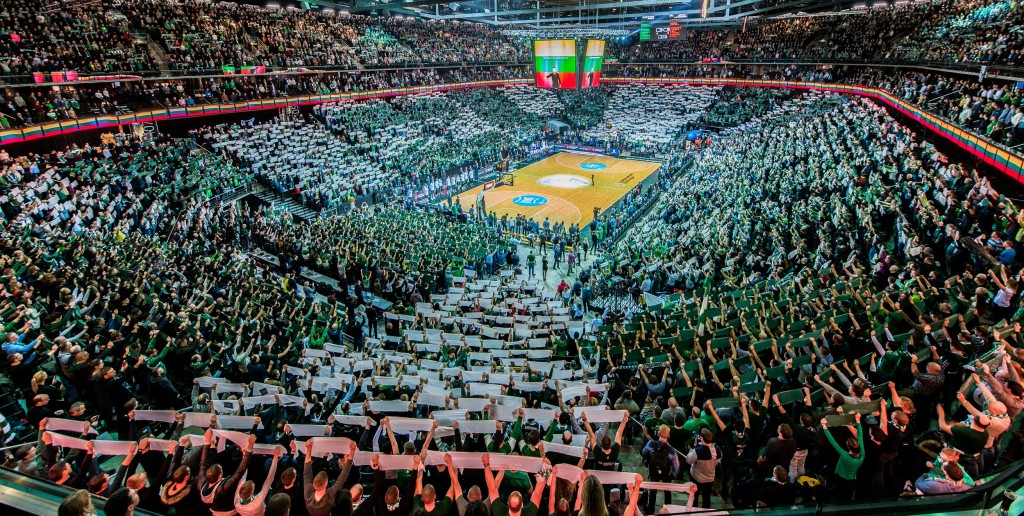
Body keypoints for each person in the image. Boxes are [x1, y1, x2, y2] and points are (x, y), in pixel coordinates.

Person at [304, 440, 355, 516]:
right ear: (326, 483)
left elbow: (307, 473)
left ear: (313, 484)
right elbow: (343, 476)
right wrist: (352, 451)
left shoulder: (308, 495)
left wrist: (308, 449)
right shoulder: (330, 496)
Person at [822, 414, 864, 501]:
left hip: (841, 478)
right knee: (847, 496)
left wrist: (824, 426)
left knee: (840, 495)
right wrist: (858, 420)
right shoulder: (862, 454)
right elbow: (860, 436)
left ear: (848, 447)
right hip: (852, 480)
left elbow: (833, 442)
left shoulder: (845, 456)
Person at [641, 425, 681, 513]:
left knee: (653, 490)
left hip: (653, 470)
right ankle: (668, 509)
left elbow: (644, 452)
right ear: (668, 436)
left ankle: (651, 509)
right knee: (667, 491)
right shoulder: (672, 451)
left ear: (658, 433)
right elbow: (676, 467)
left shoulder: (651, 443)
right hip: (666, 473)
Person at [236, 447, 283, 516]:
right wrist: (275, 457)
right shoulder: (257, 501)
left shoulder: (236, 501)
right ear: (252, 493)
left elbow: (242, 476)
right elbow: (269, 481)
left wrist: (245, 456)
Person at [683, 428, 721, 510]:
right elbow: (718, 461)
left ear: (702, 438)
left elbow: (689, 460)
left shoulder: (697, 451)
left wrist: (693, 448)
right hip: (710, 478)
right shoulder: (718, 449)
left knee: (694, 496)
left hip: (696, 478)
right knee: (706, 497)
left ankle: (694, 511)